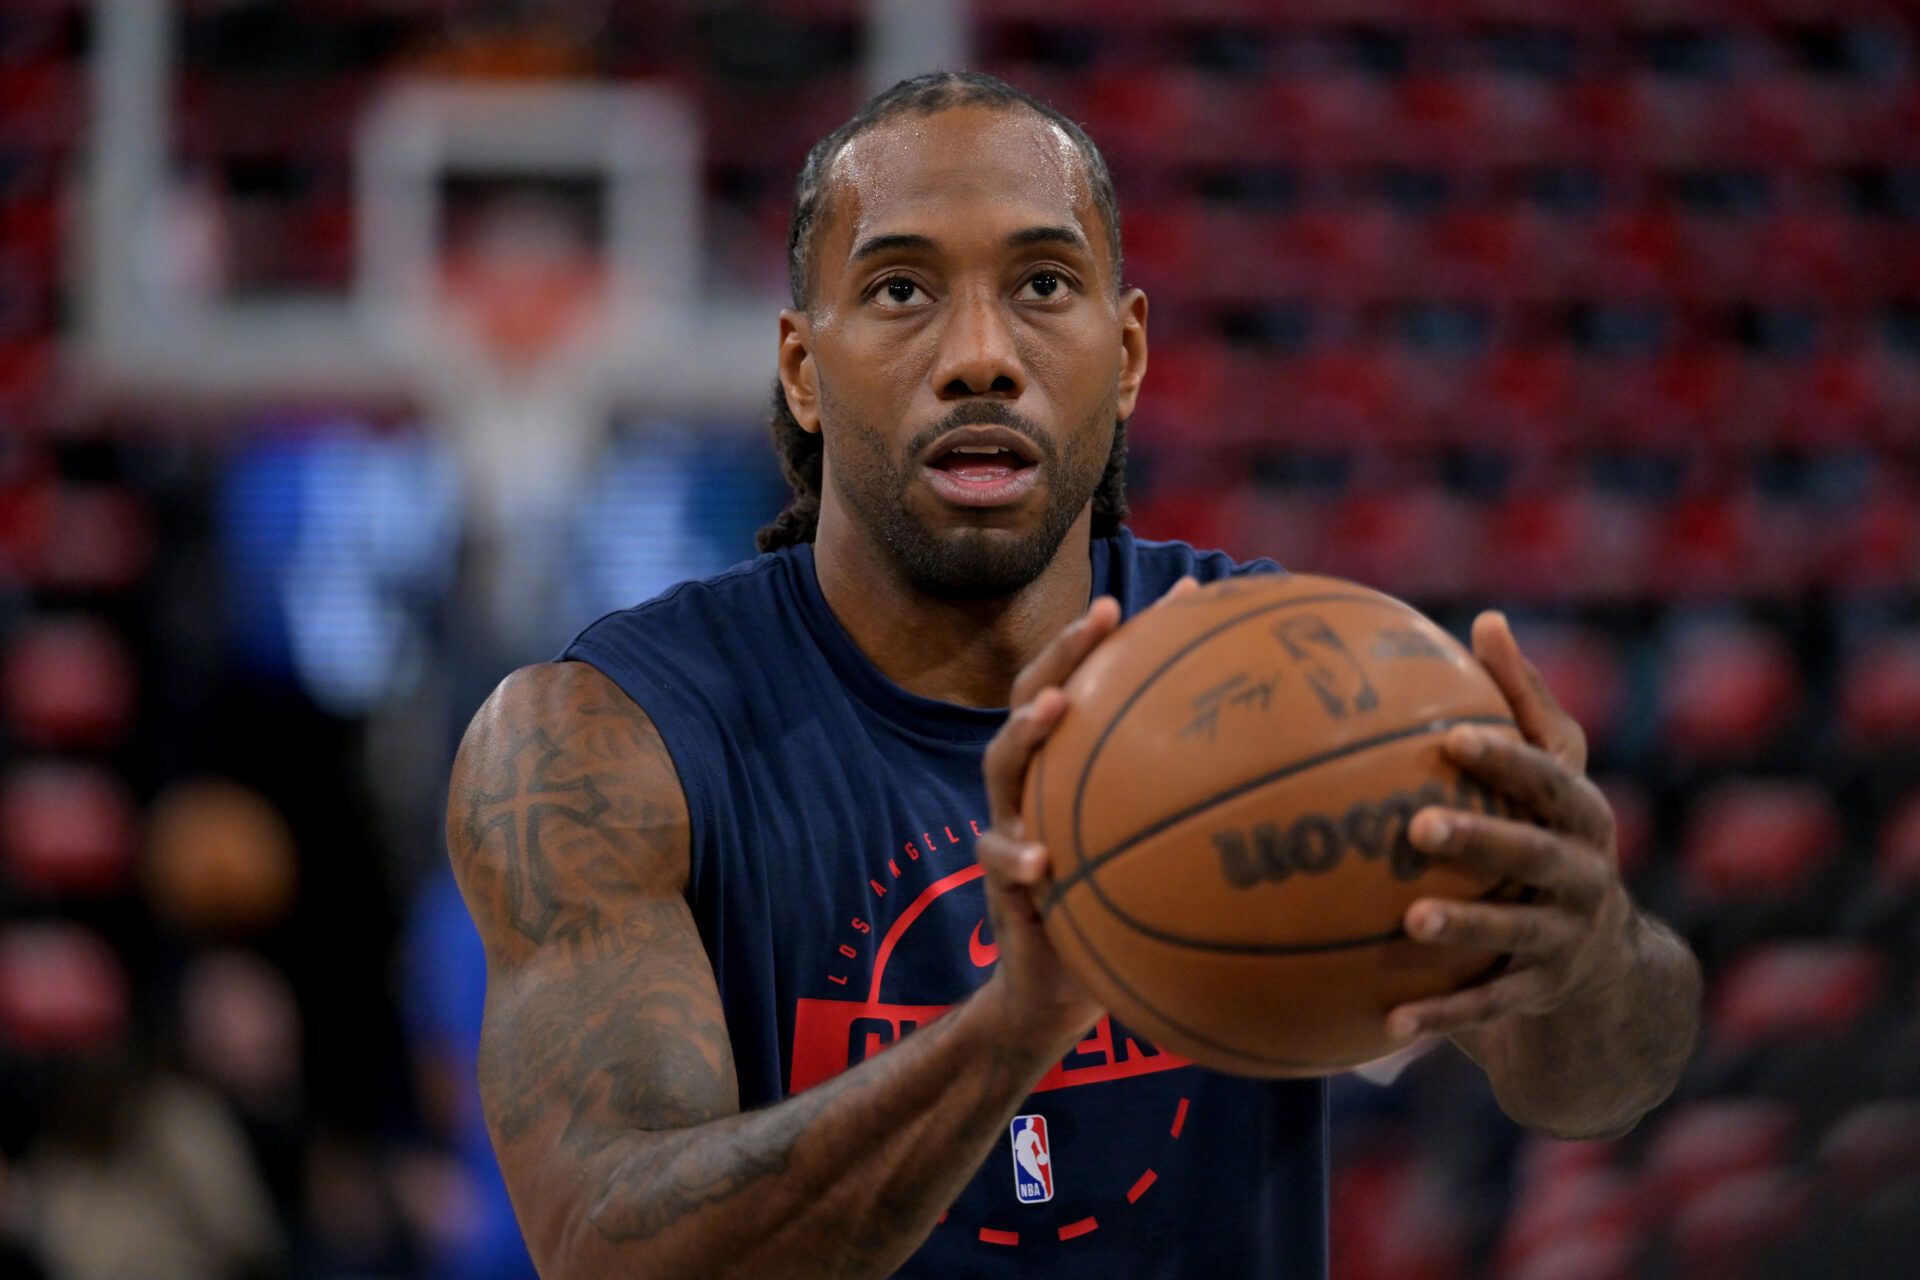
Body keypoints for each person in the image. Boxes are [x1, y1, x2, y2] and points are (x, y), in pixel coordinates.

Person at [444, 71, 1702, 1278]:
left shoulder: (1299, 685)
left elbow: (1599, 1080)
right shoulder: (607, 740)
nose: (981, 352)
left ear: (1131, 351)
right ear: (799, 369)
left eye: (1043, 282)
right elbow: (610, 1246)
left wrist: (1581, 947)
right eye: (898, 291)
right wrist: (1014, 1026)